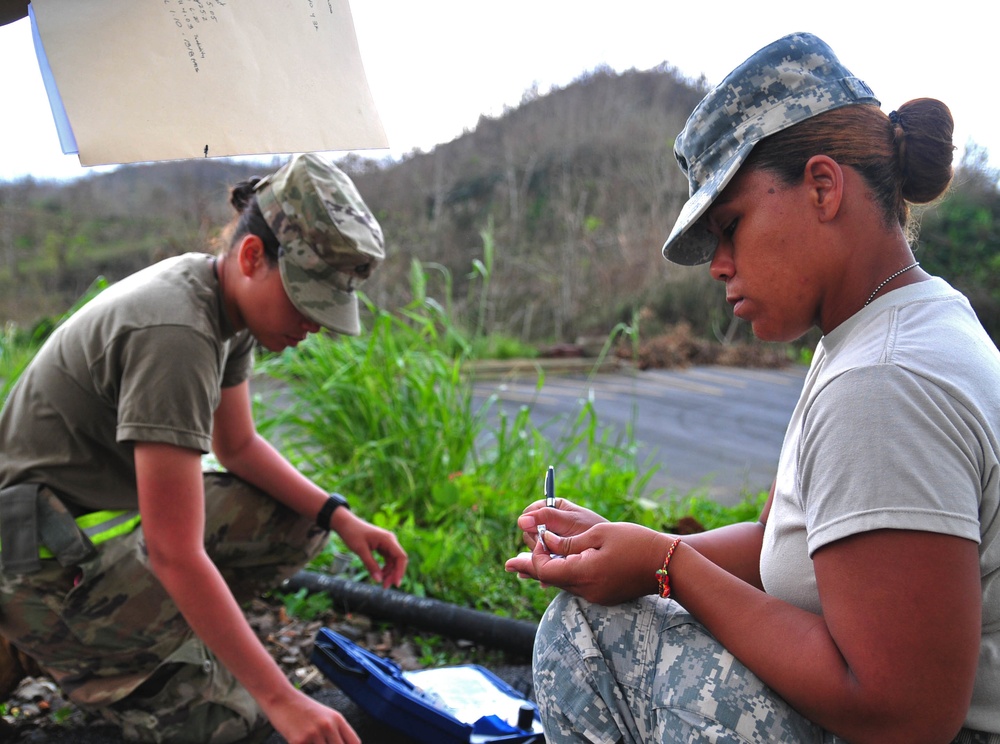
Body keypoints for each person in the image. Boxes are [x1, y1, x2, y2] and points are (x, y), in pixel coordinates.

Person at [506, 32, 1000, 744]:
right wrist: (625, 547)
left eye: (730, 225)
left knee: (590, 636)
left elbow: (908, 713)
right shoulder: (895, 325)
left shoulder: (883, 383)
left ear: (824, 187)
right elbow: (781, 543)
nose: (718, 265)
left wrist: (666, 566)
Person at [0, 153, 408, 744]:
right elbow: (173, 552)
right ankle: (57, 643)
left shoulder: (221, 303)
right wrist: (282, 699)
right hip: (29, 568)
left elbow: (237, 447)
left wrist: (338, 516)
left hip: (67, 545)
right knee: (231, 724)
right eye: (304, 302)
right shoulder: (176, 332)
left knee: (297, 519)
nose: (313, 325)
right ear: (252, 258)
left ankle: (109, 632)